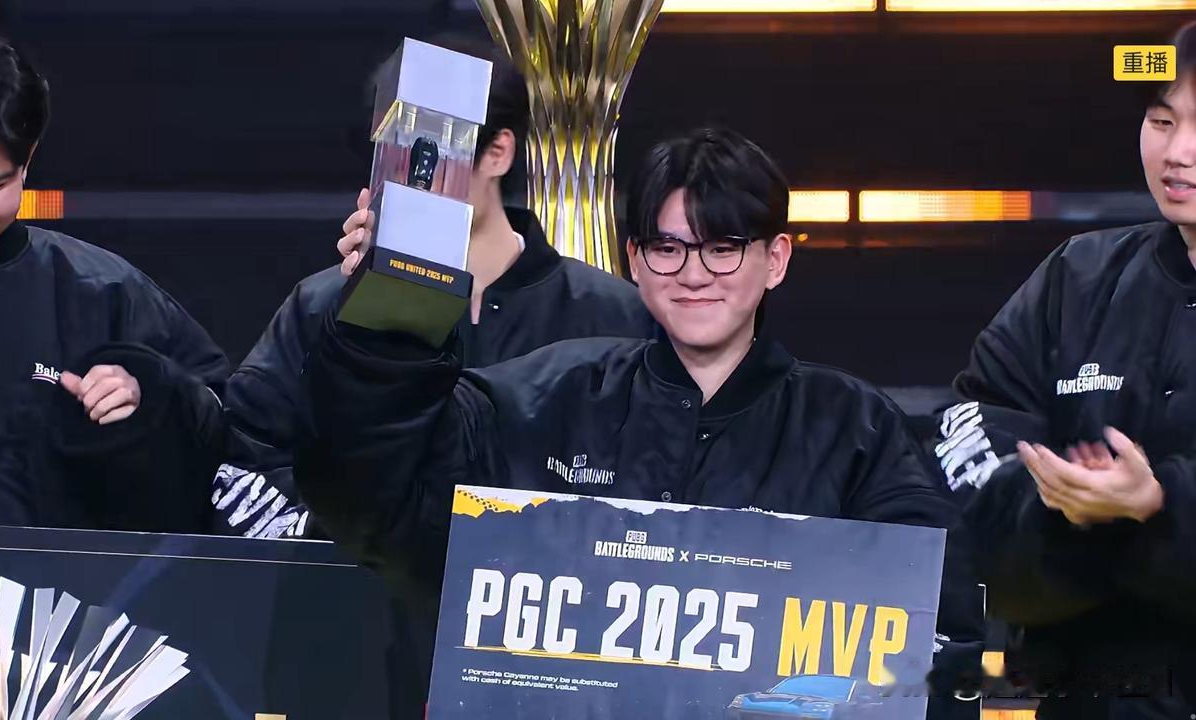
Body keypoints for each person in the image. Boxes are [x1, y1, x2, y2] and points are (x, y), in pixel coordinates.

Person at [297, 126, 984, 718]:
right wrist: (383, 313)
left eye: (723, 247)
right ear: (634, 259)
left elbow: (937, 640)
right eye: (667, 248)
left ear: (775, 259)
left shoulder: (853, 430)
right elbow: (377, 497)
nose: (693, 274)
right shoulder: (545, 397)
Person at [207, 36, 653, 719]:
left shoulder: (607, 315)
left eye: (426, 148)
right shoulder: (324, 304)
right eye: (389, 148)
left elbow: (657, 486)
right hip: (352, 661)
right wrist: (335, 543)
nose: (406, 173)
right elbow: (240, 456)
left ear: (497, 153)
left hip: (542, 668)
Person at [933, 23, 1196, 720]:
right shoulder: (1076, 278)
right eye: (1161, 121)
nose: (1178, 152)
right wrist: (1055, 502)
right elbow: (974, 428)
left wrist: (1160, 505)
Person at [0, 25, 227, 531]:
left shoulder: (104, 293)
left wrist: (151, 403)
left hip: (62, 586)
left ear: (28, 160)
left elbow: (227, 444)